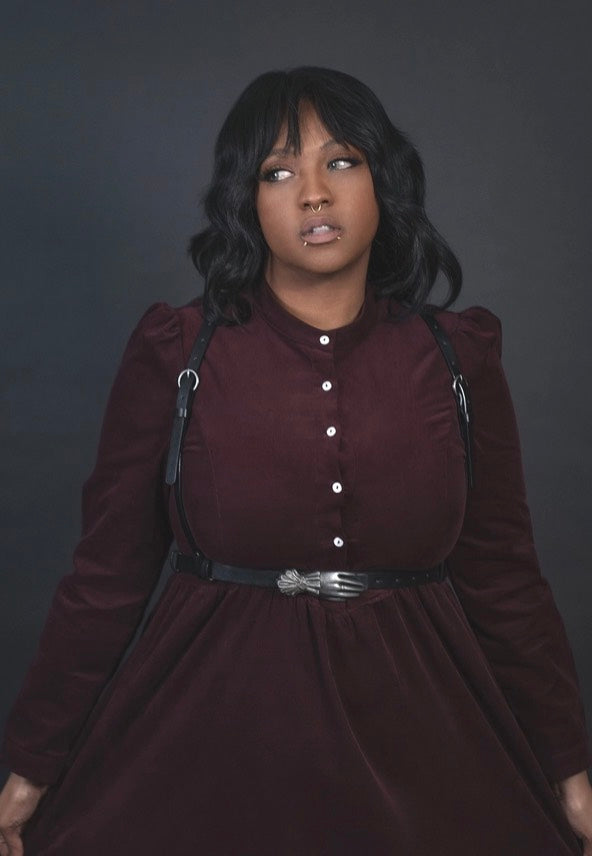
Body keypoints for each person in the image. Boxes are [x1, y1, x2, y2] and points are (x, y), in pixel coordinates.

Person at [0, 65, 591, 856]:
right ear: (246, 201)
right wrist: (31, 769)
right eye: (278, 173)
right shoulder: (179, 351)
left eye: (341, 161)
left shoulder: (458, 357)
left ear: (384, 178)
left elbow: (505, 578)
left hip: (427, 750)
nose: (314, 194)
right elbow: (107, 579)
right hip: (207, 745)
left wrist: (569, 769)